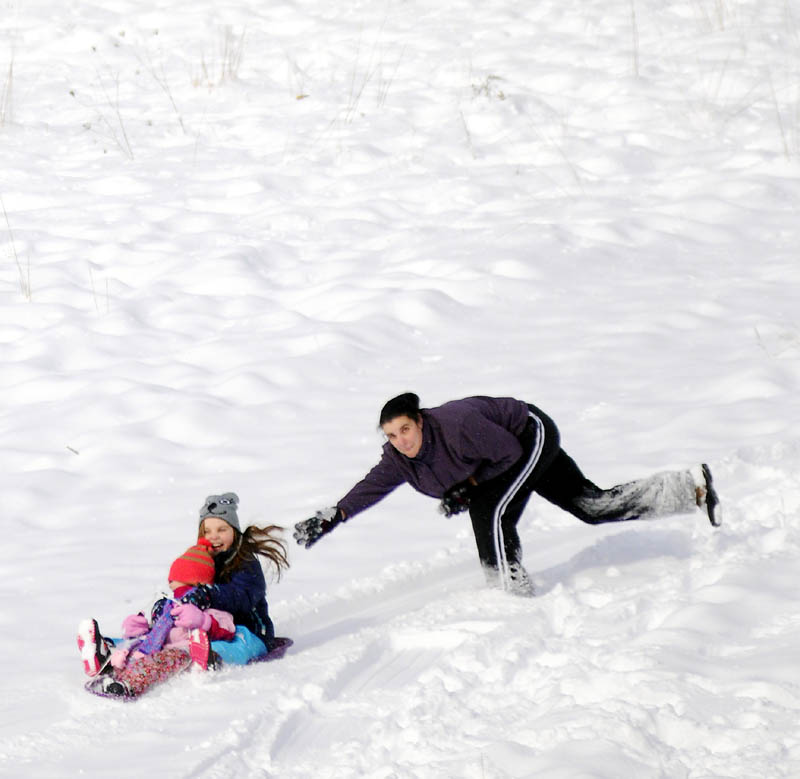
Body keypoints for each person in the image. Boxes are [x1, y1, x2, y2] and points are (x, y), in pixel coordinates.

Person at [293, 393, 721, 596]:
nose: (400, 439)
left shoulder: (457, 426)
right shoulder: (398, 459)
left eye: (405, 429)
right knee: (590, 506)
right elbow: (371, 487)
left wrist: (472, 487)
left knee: (490, 513)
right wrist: (334, 515)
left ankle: (508, 590)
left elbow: (510, 453)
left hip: (528, 434)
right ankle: (691, 487)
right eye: (391, 434)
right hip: (504, 454)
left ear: (420, 421)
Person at [79, 492, 290, 696]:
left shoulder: (245, 561)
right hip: (207, 628)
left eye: (221, 529)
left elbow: (242, 597)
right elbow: (181, 592)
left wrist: (207, 595)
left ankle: (211, 657)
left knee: (231, 646)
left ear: (235, 530)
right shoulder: (203, 559)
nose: (213, 536)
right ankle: (107, 650)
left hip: (248, 631)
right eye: (207, 531)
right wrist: (156, 617)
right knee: (156, 637)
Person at [79, 537, 238, 698]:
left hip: (184, 652)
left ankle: (128, 684)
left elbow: (228, 628)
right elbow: (155, 632)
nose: (173, 587)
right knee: (130, 653)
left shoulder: (209, 608)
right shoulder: (166, 607)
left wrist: (203, 620)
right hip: (154, 648)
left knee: (160, 662)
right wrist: (137, 629)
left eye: (179, 582)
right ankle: (104, 664)